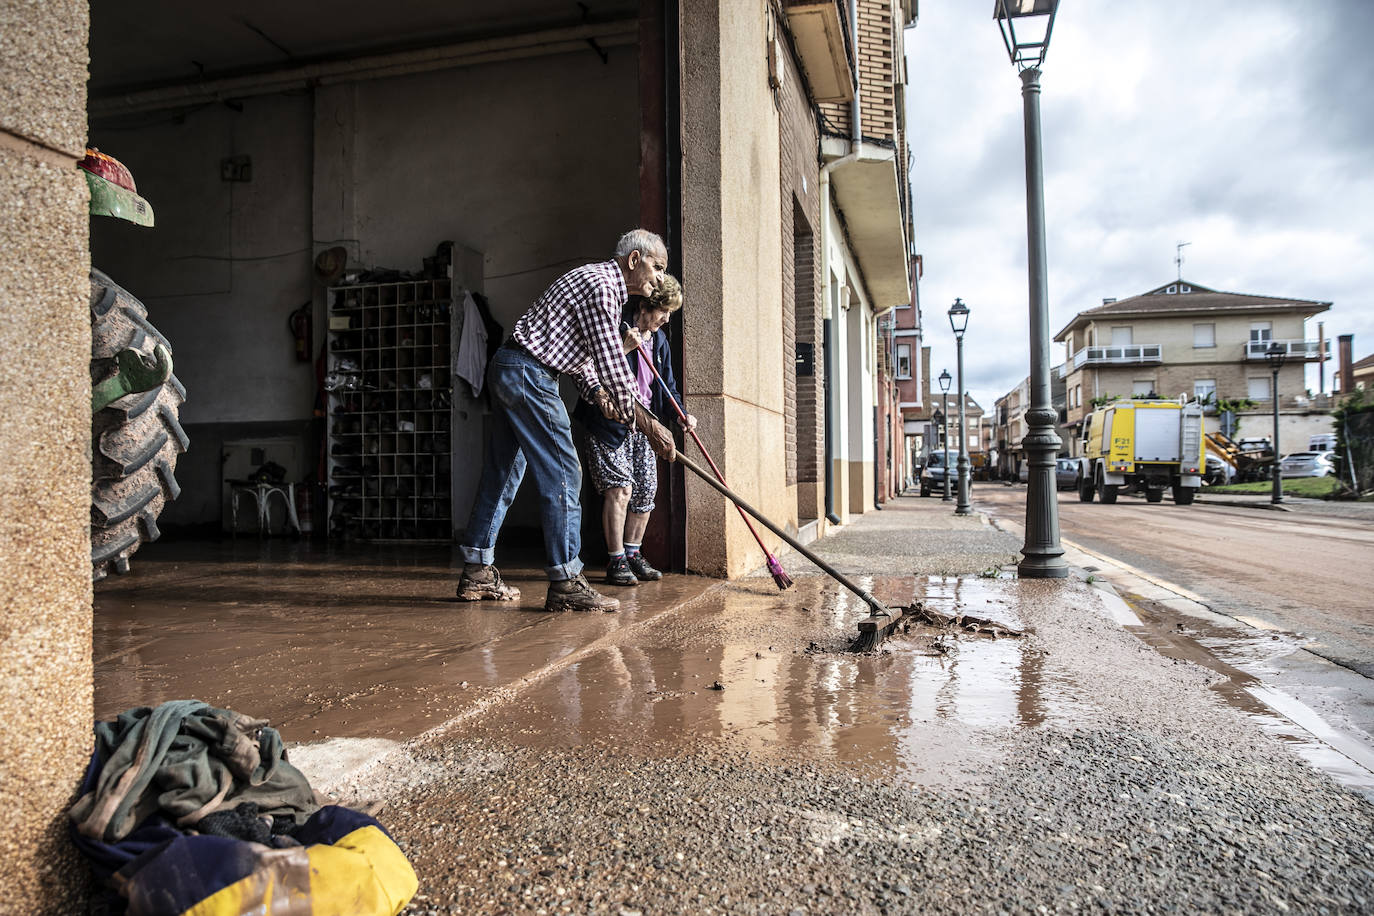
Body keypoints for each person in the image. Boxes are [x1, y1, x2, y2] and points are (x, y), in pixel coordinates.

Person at [455, 230, 678, 613]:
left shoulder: (600, 284)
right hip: (529, 374)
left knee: (504, 473)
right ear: (634, 259)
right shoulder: (604, 287)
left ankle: (476, 568)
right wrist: (651, 425)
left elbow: (581, 361)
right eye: (657, 267)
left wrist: (598, 395)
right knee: (564, 470)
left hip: (514, 368)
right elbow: (611, 362)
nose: (659, 278)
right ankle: (566, 579)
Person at [573, 275, 696, 587]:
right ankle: (616, 560)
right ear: (645, 306)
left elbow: (666, 386)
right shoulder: (616, 327)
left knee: (644, 491)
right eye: (664, 312)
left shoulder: (660, 341)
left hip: (643, 424)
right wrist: (626, 347)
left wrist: (680, 414)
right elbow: (590, 368)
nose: (667, 319)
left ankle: (632, 553)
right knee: (620, 489)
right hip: (609, 420)